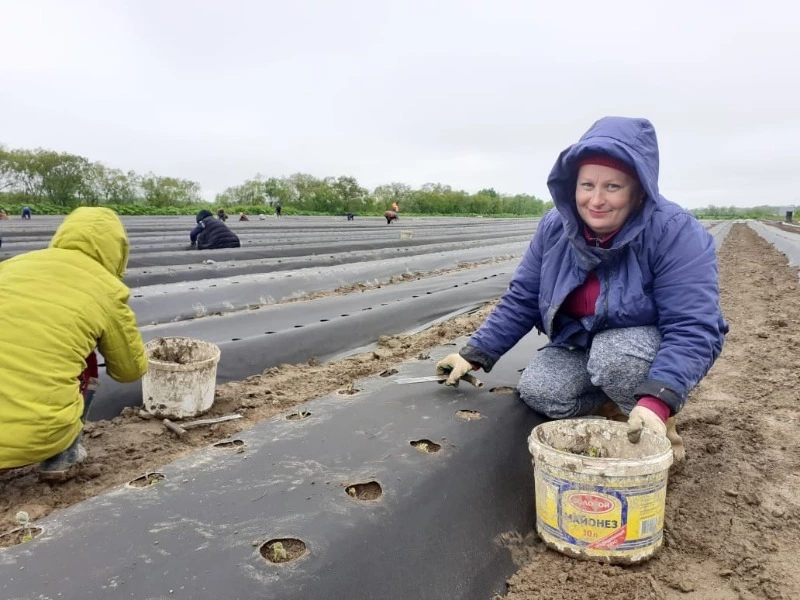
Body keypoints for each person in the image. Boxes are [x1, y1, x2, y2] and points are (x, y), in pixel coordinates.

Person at [435, 117, 727, 461]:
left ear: (639, 191)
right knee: (540, 391)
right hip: (579, 343)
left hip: (638, 347)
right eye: (587, 185)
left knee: (614, 356)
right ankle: (612, 406)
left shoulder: (675, 233)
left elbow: (695, 326)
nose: (597, 199)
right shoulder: (554, 228)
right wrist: (475, 354)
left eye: (613, 187)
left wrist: (659, 398)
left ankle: (657, 436)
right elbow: (524, 297)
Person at [0, 207, 147, 479]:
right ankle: (60, 458)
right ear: (118, 251)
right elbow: (129, 372)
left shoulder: (11, 266)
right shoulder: (106, 289)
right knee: (84, 361)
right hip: (37, 435)